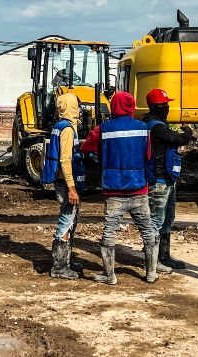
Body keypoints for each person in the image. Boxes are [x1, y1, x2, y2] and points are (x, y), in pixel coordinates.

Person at [80, 91, 159, 285]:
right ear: (131, 107)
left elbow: (85, 149)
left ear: (114, 106)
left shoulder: (104, 129)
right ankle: (151, 274)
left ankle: (109, 275)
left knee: (109, 232)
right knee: (148, 232)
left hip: (114, 191)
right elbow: (148, 156)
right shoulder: (143, 129)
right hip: (139, 189)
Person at [142, 89, 194, 274]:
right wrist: (188, 129)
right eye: (166, 105)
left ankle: (163, 256)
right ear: (158, 107)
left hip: (167, 179)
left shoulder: (154, 124)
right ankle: (153, 260)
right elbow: (180, 139)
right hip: (158, 180)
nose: (168, 108)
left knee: (167, 219)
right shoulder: (155, 127)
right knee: (156, 220)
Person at [41, 93, 86, 279]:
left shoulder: (59, 126)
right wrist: (72, 187)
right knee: (66, 221)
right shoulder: (67, 130)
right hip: (66, 183)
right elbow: (65, 160)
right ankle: (59, 266)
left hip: (62, 181)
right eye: (77, 105)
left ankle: (65, 260)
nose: (80, 110)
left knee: (71, 220)